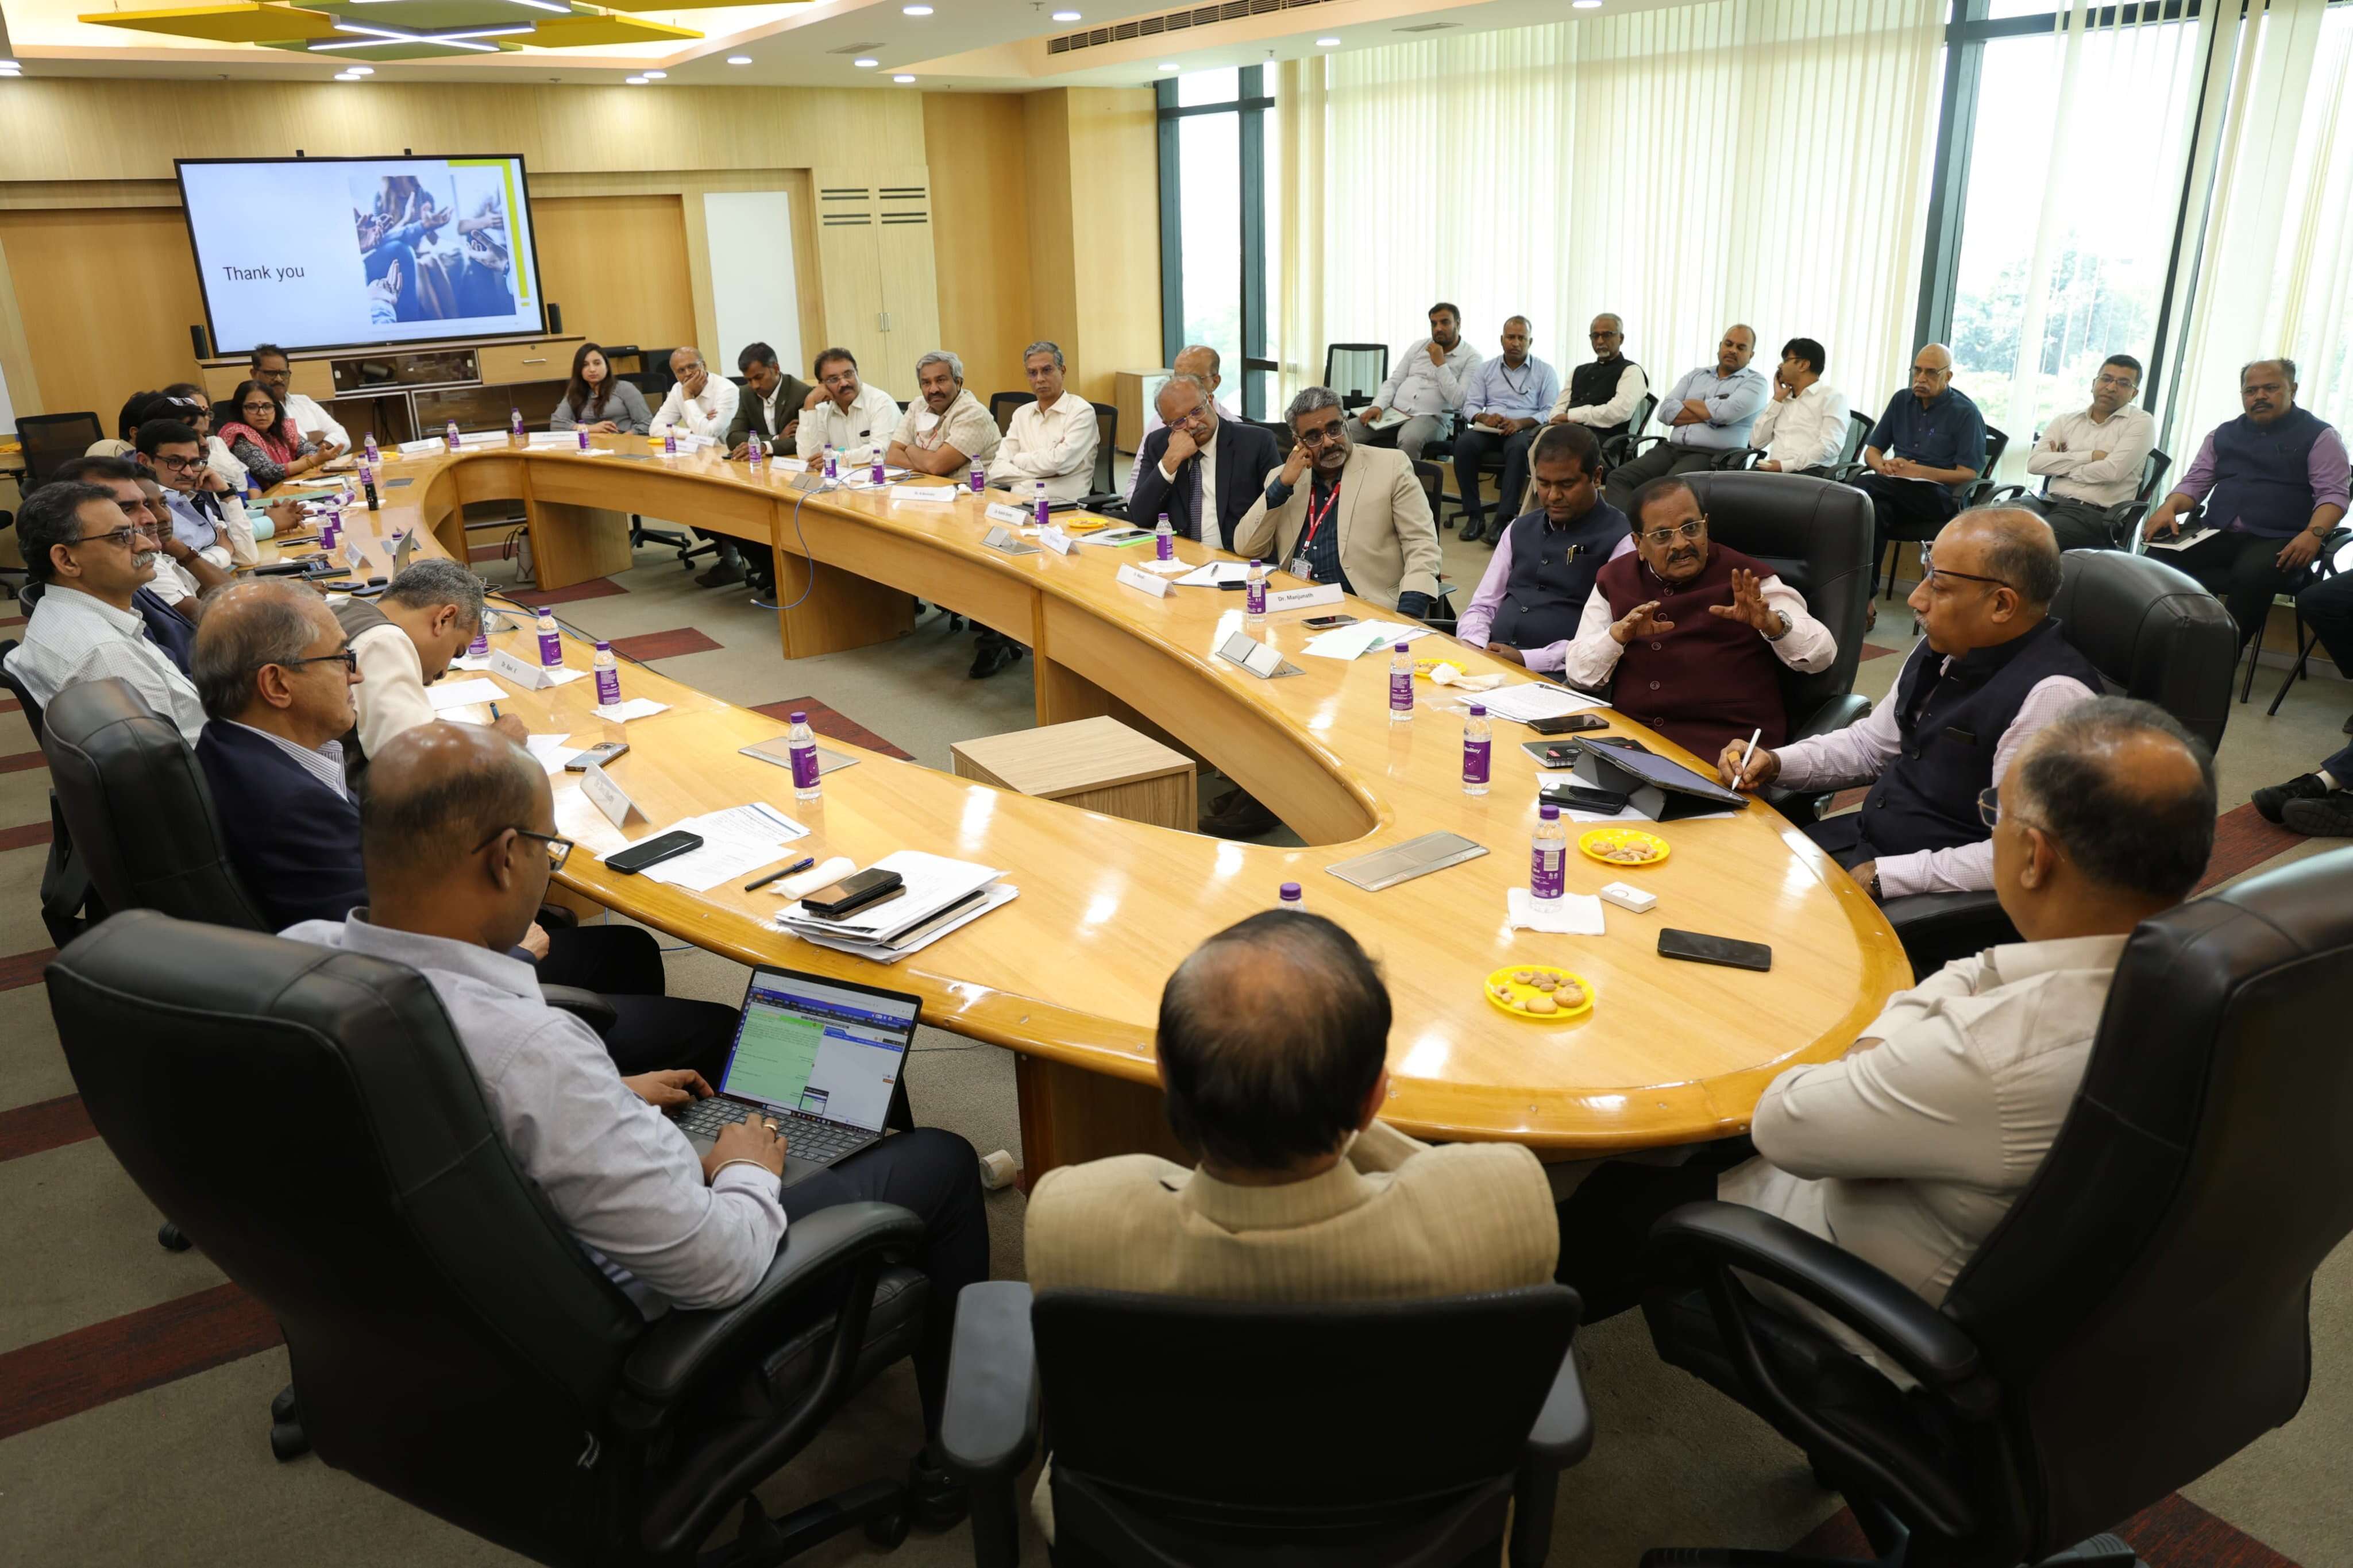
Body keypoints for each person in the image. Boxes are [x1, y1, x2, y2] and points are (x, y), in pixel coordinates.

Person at [281, 721, 988, 1525]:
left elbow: (464, 1112)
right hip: (628, 1340)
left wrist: (608, 1099)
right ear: (506, 857)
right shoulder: (534, 1054)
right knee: (940, 1162)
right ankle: (963, 1463)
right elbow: (718, 1267)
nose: (548, 866)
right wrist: (745, 1167)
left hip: (439, 1328)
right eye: (548, 847)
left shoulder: (301, 956)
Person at [1560, 698, 2216, 1326]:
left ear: (2034, 858)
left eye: (1996, 814)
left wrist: (1874, 1047)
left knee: (1613, 1198)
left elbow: (1783, 1124)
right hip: (2020, 1253)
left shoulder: (1994, 1050)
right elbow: (1977, 971)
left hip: (1857, 1276)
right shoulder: (2208, 983)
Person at [1025, 909, 1558, 1537]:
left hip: (1151, 1540)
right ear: (1374, 1099)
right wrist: (1343, 1111)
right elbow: (1442, 1174)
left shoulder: (1068, 1220)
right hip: (1411, 1541)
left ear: (1165, 1076)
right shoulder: (1505, 1205)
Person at [1722, 508, 2098, 902]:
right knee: (1729, 875)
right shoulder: (1947, 648)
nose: (1917, 598)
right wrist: (1776, 762)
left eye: (1939, 585)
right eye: (1927, 573)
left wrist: (1889, 876)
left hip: (1931, 900)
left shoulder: (2053, 699)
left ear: (2002, 605)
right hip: (1865, 842)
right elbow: (1872, 747)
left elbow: (2022, 853)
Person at [1562, 476, 1836, 762]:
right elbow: (1580, 675)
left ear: (1706, 525)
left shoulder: (1749, 580)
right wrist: (1617, 636)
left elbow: (1822, 655)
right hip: (1632, 750)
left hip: (1726, 756)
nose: (1681, 544)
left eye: (1691, 528)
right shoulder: (1614, 579)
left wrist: (1772, 624)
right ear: (1638, 543)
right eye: (1663, 535)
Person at [191, 581, 370, 931]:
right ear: (276, 685)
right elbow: (384, 932)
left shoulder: (222, 746)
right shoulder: (296, 808)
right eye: (341, 659)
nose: (357, 675)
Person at [2142, 358, 2350, 654]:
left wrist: (2314, 534)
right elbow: (2195, 483)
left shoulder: (2321, 436)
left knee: (2252, 573)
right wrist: (2170, 507)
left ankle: (2219, 659)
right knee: (2155, 559)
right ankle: (2156, 646)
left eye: (2271, 388)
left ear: (2293, 389)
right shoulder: (2222, 434)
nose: (2259, 396)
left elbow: (2333, 495)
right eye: (2251, 391)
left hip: (2282, 538)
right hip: (2219, 532)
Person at [1, 482, 206, 743]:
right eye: (122, 537)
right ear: (66, 560)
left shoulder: (59, 609)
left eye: (135, 531)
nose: (147, 545)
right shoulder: (106, 653)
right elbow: (173, 758)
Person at [1235, 385, 1442, 620]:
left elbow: (1422, 546)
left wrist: (1408, 614)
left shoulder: (1391, 466)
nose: (1328, 442)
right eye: (1314, 437)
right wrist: (1282, 486)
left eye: (1334, 429)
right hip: (1297, 608)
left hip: (1367, 611)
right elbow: (1246, 548)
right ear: (1298, 442)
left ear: (1346, 424)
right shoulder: (1284, 478)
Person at [1456, 424, 1633, 669]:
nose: (1553, 496)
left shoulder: (1623, 540)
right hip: (1489, 659)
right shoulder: (1518, 528)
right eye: (1544, 484)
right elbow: (1483, 605)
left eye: (1566, 485)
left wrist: (1528, 660)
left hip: (1562, 675)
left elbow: (1608, 638)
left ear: (1596, 477)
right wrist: (1474, 644)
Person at [1851, 343, 1988, 582]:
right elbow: (1872, 451)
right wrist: (1883, 467)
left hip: (1939, 497)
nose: (1921, 378)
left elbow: (1968, 474)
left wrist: (1918, 472)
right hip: (1896, 490)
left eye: (1931, 372)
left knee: (1861, 486)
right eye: (1918, 370)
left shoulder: (1966, 413)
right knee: (1876, 511)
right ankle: (1866, 596)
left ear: (1948, 376)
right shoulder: (1901, 400)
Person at [1601, 325, 1770, 511]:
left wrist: (1687, 404)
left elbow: (1726, 414)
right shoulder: (1696, 375)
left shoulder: (1756, 383)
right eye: (1729, 344)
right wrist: (1711, 412)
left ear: (1751, 355)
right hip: (1670, 449)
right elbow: (1665, 412)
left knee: (1667, 490)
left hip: (1711, 456)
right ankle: (1627, 528)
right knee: (1618, 478)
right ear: (1720, 346)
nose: (1733, 350)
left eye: (1741, 347)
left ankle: (1651, 528)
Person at [48, 455, 229, 626]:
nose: (154, 518)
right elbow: (226, 618)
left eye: (163, 504)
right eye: (127, 509)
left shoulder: (146, 560)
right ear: (66, 559)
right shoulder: (131, 570)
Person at [1126, 372, 1279, 552]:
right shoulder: (1158, 444)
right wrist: (1171, 460)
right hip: (1179, 557)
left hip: (1237, 557)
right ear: (1167, 424)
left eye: (1197, 411)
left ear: (1210, 401)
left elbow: (1277, 511)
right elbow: (1140, 516)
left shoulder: (1256, 443)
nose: (1192, 424)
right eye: (1180, 422)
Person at [2018, 355, 2156, 550]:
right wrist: (2090, 457)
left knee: (2031, 540)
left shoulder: (2141, 422)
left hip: (2094, 514)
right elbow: (2035, 465)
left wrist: (2061, 467)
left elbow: (2111, 472)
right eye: (2106, 379)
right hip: (2048, 502)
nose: (2111, 387)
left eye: (2123, 383)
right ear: (2094, 384)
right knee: (1991, 520)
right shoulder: (2065, 421)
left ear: (2134, 393)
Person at [1452, 315, 1560, 544]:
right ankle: (1474, 516)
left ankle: (1503, 519)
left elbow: (1550, 411)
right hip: (1490, 428)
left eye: (1522, 338)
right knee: (1463, 445)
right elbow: (1470, 406)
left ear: (1530, 342)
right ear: (1502, 340)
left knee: (1519, 448)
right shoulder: (1486, 369)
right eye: (1511, 337)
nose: (1516, 343)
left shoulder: (1545, 372)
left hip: (1524, 429)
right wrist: (1484, 417)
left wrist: (1521, 423)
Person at [136, 416, 296, 567]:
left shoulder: (190, 495)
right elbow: (176, 573)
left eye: (194, 462)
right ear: (144, 461)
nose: (189, 473)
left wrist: (226, 494)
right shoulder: (143, 508)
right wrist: (223, 551)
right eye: (175, 462)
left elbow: (247, 557)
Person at [1345, 301, 1480, 462]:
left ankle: (1406, 480)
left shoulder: (1472, 357)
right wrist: (1378, 405)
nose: (1438, 328)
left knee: (1410, 439)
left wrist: (1441, 364)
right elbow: (1394, 381)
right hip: (1395, 413)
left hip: (1432, 418)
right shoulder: (1419, 347)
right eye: (1434, 323)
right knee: (1346, 431)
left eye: (1445, 322)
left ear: (1458, 323)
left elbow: (1460, 401)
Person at [987, 340, 1099, 503]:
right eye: (1032, 373)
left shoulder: (1081, 412)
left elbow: (1058, 464)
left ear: (1062, 371)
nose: (1039, 379)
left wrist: (1017, 459)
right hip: (1018, 504)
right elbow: (996, 471)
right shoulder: (1021, 414)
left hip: (1063, 506)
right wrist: (1044, 470)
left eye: (1047, 370)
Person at [1124, 344, 1237, 501]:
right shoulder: (1159, 424)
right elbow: (1135, 485)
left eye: (1193, 379)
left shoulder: (1235, 429)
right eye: (1177, 377)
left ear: (1215, 382)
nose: (1182, 385)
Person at [884, 350, 1001, 479]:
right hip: (927, 486)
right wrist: (928, 465)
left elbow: (937, 466)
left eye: (940, 380)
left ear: (958, 383)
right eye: (926, 383)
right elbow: (892, 457)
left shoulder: (974, 413)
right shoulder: (918, 405)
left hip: (968, 489)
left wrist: (909, 449)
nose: (933, 390)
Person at [1748, 338, 1850, 476]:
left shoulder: (1832, 398)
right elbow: (1756, 442)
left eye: (1786, 360)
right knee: (1736, 484)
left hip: (1812, 472)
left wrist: (1785, 466)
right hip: (1775, 472)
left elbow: (1830, 446)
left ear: (1803, 365)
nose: (1780, 366)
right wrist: (1777, 399)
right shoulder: (1783, 399)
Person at [1544, 313, 1648, 445]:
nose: (1600, 341)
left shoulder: (1631, 371)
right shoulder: (1578, 371)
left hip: (1605, 442)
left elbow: (1618, 412)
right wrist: (1556, 418)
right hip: (1566, 432)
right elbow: (1559, 407)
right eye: (1595, 336)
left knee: (1550, 442)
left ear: (1621, 339)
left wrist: (1571, 417)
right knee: (1542, 437)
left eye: (1607, 335)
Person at [216, 380, 335, 491]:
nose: (261, 413)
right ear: (239, 410)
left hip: (290, 490)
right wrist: (308, 462)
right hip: (260, 499)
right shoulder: (238, 435)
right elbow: (272, 472)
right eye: (252, 407)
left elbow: (313, 451)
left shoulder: (282, 429)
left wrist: (303, 463)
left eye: (267, 406)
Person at [793, 346, 900, 467]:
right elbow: (808, 458)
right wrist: (810, 403)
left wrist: (836, 458)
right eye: (834, 379)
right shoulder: (822, 411)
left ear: (857, 373)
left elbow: (881, 451)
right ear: (822, 385)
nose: (844, 383)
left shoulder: (880, 402)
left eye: (848, 374)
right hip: (843, 477)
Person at [250, 344, 352, 453]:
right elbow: (285, 450)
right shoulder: (254, 411)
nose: (279, 379)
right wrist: (317, 437)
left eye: (283, 373)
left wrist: (314, 450)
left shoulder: (304, 401)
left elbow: (343, 437)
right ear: (254, 374)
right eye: (271, 373)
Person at [156, 382, 250, 493]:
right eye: (197, 411)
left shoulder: (214, 442)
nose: (204, 417)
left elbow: (247, 478)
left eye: (206, 412)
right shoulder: (179, 470)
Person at [723, 341, 813, 458]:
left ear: (776, 368)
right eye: (749, 380)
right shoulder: (746, 393)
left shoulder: (801, 393)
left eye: (759, 377)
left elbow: (803, 441)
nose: (754, 386)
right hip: (762, 463)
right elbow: (733, 438)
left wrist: (765, 446)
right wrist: (776, 438)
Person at [549, 342, 653, 437]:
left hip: (624, 443)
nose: (592, 369)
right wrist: (591, 428)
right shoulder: (575, 393)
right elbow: (556, 424)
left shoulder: (625, 388)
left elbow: (647, 424)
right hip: (591, 446)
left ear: (607, 366)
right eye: (585, 365)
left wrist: (623, 438)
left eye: (597, 363)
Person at [647, 346, 740, 442]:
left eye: (692, 367)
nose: (688, 373)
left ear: (704, 365)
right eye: (681, 371)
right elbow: (655, 428)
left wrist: (688, 396)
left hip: (727, 449)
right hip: (697, 449)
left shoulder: (727, 390)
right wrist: (690, 433)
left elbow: (708, 435)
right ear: (675, 375)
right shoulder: (678, 389)